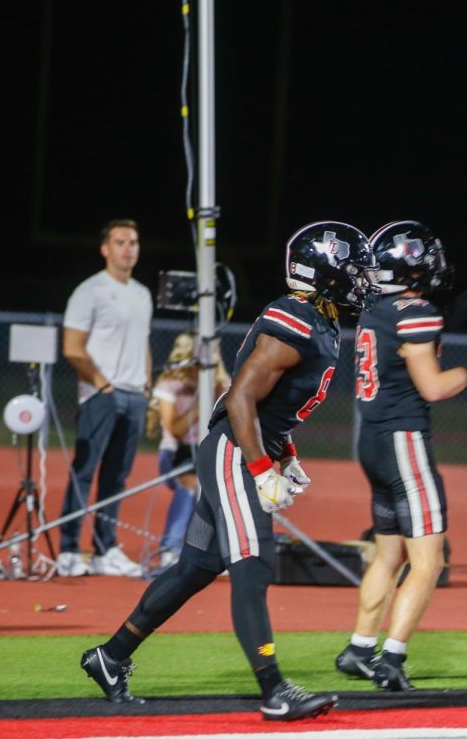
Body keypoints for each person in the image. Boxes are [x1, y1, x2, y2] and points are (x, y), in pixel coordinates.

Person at [80, 221, 378, 721]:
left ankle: (109, 657)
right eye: (352, 270)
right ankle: (274, 688)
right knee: (253, 561)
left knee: (195, 569)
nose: (360, 280)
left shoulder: (319, 322)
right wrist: (261, 468)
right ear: (324, 273)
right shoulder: (298, 319)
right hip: (232, 453)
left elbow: (273, 407)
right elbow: (241, 395)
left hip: (241, 448)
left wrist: (285, 455)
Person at [334, 221, 467, 691]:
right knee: (429, 560)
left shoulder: (378, 307)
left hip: (372, 442)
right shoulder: (414, 312)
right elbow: (433, 386)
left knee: (389, 553)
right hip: (404, 443)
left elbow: (444, 316)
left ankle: (358, 649)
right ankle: (391, 660)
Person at [57, 219, 153, 578]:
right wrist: (101, 384)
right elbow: (72, 347)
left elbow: (141, 342)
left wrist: (146, 385)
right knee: (85, 471)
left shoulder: (142, 293)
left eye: (134, 241)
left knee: (117, 478)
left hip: (134, 395)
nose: (128, 248)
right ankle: (69, 549)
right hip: (102, 395)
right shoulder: (90, 291)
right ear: (105, 249)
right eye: (120, 242)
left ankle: (104, 548)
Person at [146, 330, 231, 570]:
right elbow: (174, 429)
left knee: (221, 491)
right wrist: (200, 401)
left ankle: (212, 550)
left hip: (210, 452)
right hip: (176, 453)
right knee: (192, 484)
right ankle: (170, 549)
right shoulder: (171, 384)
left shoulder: (223, 386)